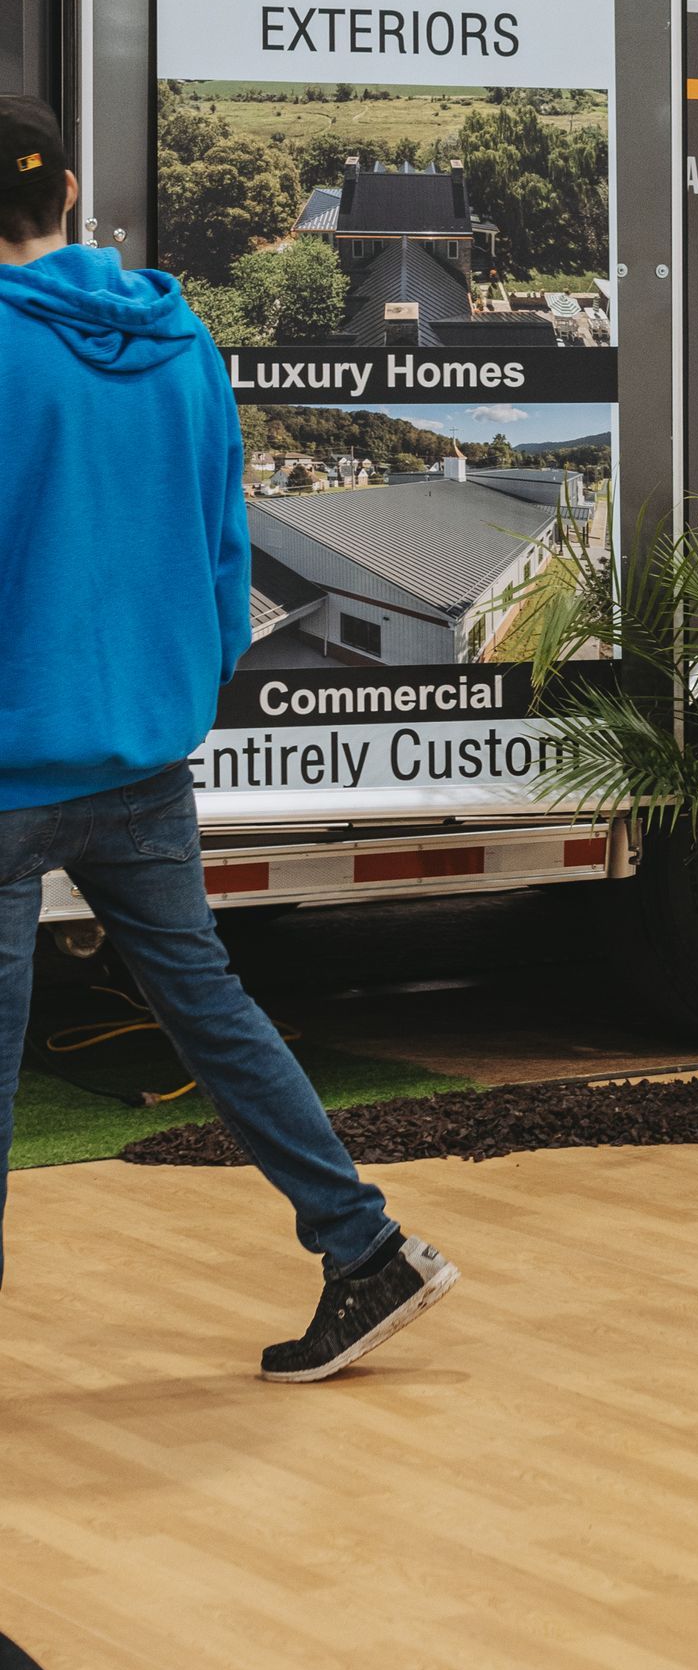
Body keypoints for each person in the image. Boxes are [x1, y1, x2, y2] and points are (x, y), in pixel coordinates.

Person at [0, 96, 457, 1377]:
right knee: (211, 1008)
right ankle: (365, 1252)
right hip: (143, 751)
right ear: (74, 190)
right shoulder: (182, 343)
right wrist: (179, 691)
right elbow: (223, 549)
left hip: (11, 758)